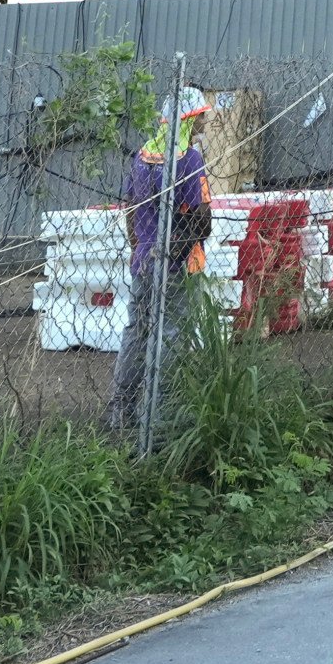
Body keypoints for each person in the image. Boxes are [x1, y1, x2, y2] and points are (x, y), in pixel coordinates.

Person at [109, 87, 212, 431]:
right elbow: (202, 217)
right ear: (189, 118)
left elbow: (130, 209)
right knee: (170, 333)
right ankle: (159, 415)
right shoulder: (189, 159)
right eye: (200, 116)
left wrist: (139, 246)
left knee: (136, 330)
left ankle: (121, 408)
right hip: (178, 263)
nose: (204, 121)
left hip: (142, 259)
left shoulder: (142, 155)